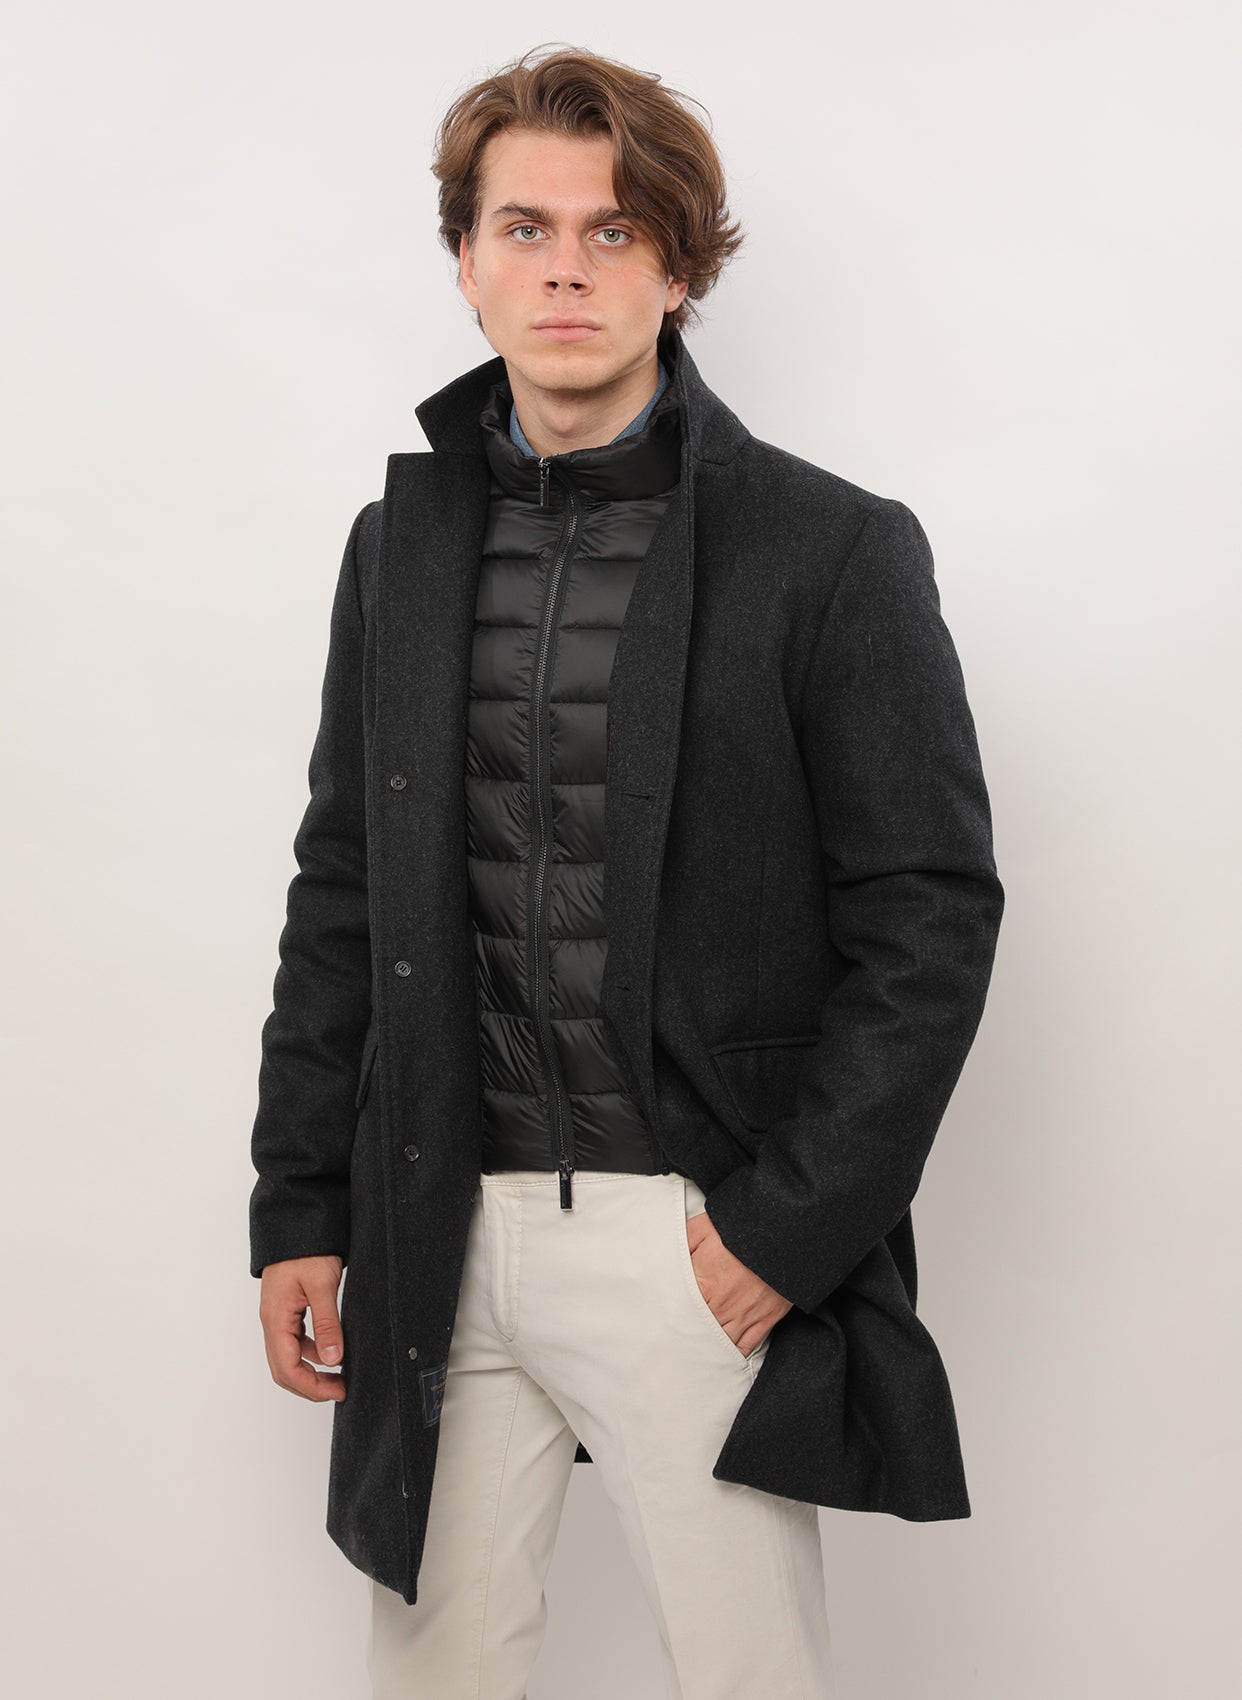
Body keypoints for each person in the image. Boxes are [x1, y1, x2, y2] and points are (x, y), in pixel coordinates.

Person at [249, 42, 1004, 1700]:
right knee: (435, 1673)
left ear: (676, 268)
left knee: (748, 1677)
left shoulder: (828, 549)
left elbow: (929, 917)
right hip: (437, 1221)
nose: (565, 270)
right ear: (465, 264)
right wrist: (299, 1202)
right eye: (523, 229)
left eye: (612, 232)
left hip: (692, 1234)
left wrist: (781, 1231)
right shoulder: (398, 550)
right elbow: (343, 885)